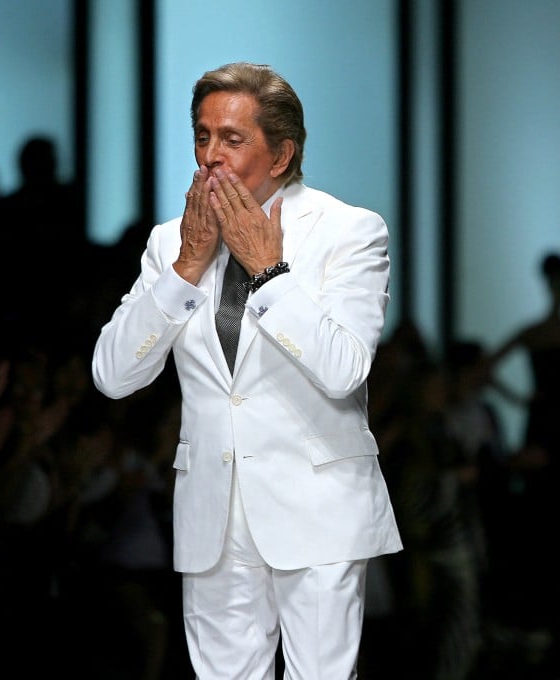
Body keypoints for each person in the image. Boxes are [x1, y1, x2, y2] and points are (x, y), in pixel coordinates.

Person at [91, 61, 402, 680]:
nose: (210, 156)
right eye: (202, 136)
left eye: (231, 139)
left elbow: (344, 370)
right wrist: (183, 270)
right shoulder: (170, 243)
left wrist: (268, 272)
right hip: (212, 511)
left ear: (282, 154)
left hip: (317, 506)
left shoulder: (348, 232)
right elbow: (113, 374)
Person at [486, 252, 560, 635]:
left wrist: (521, 399)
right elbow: (486, 367)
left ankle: (559, 603)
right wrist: (520, 399)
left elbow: (488, 367)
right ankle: (552, 602)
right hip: (558, 429)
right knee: (551, 512)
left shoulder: (559, 333)